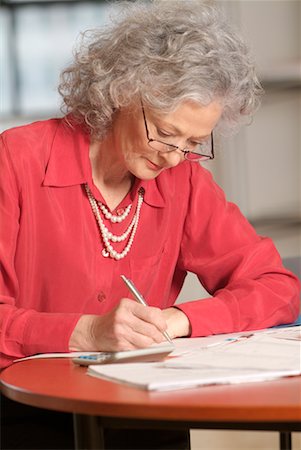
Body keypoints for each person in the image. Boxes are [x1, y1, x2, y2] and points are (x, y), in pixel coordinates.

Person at [1, 0, 300, 448]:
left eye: (195, 142)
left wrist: (177, 320)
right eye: (164, 132)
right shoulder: (15, 162)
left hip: (146, 412)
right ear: (123, 92)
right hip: (30, 415)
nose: (174, 157)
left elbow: (275, 284)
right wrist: (85, 331)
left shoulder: (185, 181)